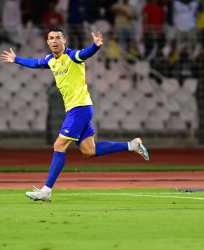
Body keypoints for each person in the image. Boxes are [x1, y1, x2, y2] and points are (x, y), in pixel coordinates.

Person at [0, 28, 150, 201]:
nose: (54, 40)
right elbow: (35, 63)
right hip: (76, 110)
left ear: (65, 41)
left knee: (59, 145)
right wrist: (16, 59)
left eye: (58, 37)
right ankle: (132, 145)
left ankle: (46, 190)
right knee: (89, 150)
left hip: (80, 109)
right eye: (51, 38)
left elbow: (85, 54)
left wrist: (95, 46)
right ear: (48, 43)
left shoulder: (72, 56)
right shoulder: (50, 60)